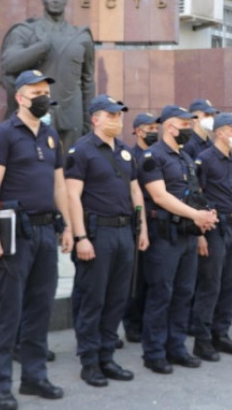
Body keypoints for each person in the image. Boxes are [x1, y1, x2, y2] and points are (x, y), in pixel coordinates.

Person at [0, 70, 73, 410]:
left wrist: (66, 227)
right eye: (36, 92)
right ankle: (0, 386)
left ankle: (34, 377)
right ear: (19, 97)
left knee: (40, 308)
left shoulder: (51, 136)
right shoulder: (2, 135)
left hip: (46, 231)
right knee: (9, 312)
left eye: (45, 91)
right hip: (14, 234)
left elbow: (59, 184)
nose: (43, 97)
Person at [65, 94, 150, 388]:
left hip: (125, 232)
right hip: (97, 233)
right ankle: (89, 362)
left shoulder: (126, 152)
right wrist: (80, 237)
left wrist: (143, 229)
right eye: (111, 115)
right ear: (95, 118)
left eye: (119, 115)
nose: (117, 119)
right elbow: (72, 196)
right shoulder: (82, 150)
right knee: (94, 298)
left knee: (117, 298)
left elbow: (136, 192)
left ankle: (106, 356)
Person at [138, 105, 219, 374]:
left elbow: (192, 193)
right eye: (185, 125)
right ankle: (154, 352)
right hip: (163, 236)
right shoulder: (153, 156)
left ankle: (176, 347)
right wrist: (196, 214)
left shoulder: (185, 157)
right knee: (161, 294)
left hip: (186, 235)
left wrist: (205, 214)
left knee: (184, 293)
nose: (189, 129)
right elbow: (160, 196)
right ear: (171, 127)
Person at [0, 0, 95, 151]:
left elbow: (88, 81)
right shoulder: (25, 31)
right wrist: (41, 47)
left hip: (72, 113)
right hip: (36, 110)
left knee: (71, 170)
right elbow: (8, 64)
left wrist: (87, 118)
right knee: (35, 164)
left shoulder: (81, 36)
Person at [189, 112, 232, 361]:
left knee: (229, 284)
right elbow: (197, 197)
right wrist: (199, 236)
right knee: (210, 284)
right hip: (213, 228)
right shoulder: (204, 159)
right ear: (220, 132)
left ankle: (221, 334)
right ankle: (202, 340)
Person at [123, 111, 159, 343]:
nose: (153, 132)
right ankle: (132, 324)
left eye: (156, 128)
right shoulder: (130, 156)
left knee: (153, 276)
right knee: (136, 277)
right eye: (148, 128)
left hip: (159, 221)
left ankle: (147, 320)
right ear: (137, 131)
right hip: (138, 220)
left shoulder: (159, 154)